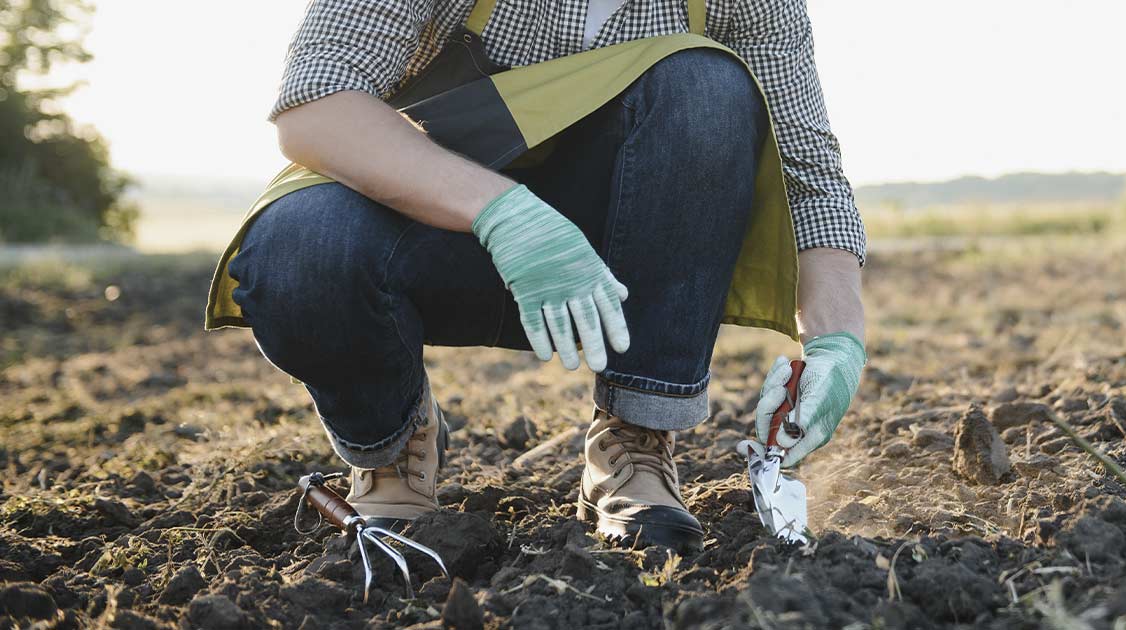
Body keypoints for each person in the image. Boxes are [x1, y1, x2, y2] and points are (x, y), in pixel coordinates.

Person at [210, 0, 867, 554]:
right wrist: (501, 211)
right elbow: (317, 102)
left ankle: (633, 443)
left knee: (709, 86)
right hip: (429, 224)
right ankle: (394, 450)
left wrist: (836, 341)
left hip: (617, 263)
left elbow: (804, 171)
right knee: (300, 250)